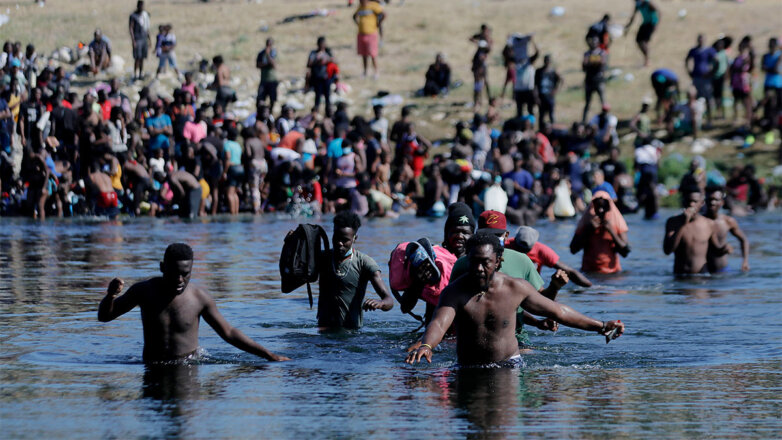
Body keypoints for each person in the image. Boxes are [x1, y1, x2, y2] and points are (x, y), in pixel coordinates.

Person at [405, 234, 625, 366]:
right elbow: (439, 323)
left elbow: (558, 312)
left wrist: (600, 326)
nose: (479, 268)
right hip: (468, 367)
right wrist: (427, 345)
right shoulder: (455, 292)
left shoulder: (515, 288)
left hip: (509, 365)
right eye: (474, 262)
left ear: (498, 262)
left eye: (485, 262)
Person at [98, 243, 289, 362]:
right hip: (152, 368)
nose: (180, 280)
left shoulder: (199, 298)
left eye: (185, 274)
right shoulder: (144, 291)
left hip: (187, 369)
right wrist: (110, 296)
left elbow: (229, 333)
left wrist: (269, 355)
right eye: (174, 273)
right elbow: (104, 317)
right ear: (162, 268)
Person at [316, 211, 394, 329]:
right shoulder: (322, 258)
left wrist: (380, 303)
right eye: (336, 237)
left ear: (354, 238)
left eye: (345, 240)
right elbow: (291, 283)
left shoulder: (364, 262)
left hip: (352, 333)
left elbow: (389, 300)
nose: (339, 243)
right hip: (323, 330)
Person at [663, 190, 730, 275]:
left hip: (701, 276)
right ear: (683, 202)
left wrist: (724, 249)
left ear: (701, 203)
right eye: (688, 201)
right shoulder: (673, 222)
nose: (691, 204)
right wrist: (683, 224)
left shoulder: (708, 223)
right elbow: (667, 250)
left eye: (694, 201)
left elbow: (715, 250)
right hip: (680, 276)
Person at [508, 226, 592, 287]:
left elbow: (570, 272)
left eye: (526, 250)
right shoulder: (505, 246)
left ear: (533, 245)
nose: (522, 253)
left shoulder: (541, 251)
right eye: (519, 248)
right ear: (514, 240)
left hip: (530, 286)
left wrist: (590, 287)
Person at [570, 191, 630, 274]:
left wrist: (611, 232)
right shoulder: (587, 222)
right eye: (598, 206)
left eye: (604, 207)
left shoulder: (616, 224)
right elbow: (573, 249)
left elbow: (625, 252)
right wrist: (588, 230)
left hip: (611, 273)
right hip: (589, 272)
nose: (601, 210)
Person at [704, 187, 750, 273]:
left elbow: (743, 240)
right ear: (704, 201)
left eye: (716, 200)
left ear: (722, 202)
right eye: (709, 199)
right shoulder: (699, 222)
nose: (712, 202)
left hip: (723, 269)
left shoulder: (728, 221)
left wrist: (745, 262)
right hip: (704, 271)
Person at [685, 34, 716, 126]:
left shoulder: (709, 50)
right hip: (696, 77)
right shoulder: (694, 50)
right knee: (696, 99)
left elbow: (716, 61)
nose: (701, 41)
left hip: (706, 78)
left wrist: (711, 72)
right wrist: (689, 71)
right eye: (699, 39)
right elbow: (687, 60)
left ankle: (710, 119)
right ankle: (698, 120)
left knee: (708, 98)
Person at [353, 0, 384, 78]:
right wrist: (358, 24)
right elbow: (354, 16)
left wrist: (378, 23)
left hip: (371, 34)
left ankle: (376, 72)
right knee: (364, 54)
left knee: (372, 54)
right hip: (361, 34)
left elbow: (383, 14)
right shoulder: (360, 7)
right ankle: (365, 71)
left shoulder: (373, 6)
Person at [625, 0, 659, 67]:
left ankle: (647, 61)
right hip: (645, 24)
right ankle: (646, 59)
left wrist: (656, 25)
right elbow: (633, 17)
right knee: (639, 40)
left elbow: (658, 12)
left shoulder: (648, 3)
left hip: (651, 24)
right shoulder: (638, 5)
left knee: (643, 41)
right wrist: (627, 27)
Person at [582, 36, 607, 122]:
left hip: (599, 80)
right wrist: (595, 62)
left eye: (595, 42)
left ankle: (605, 119)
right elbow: (584, 65)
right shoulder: (587, 53)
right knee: (587, 103)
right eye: (592, 42)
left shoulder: (602, 52)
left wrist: (590, 62)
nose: (593, 44)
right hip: (589, 80)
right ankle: (584, 120)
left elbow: (602, 63)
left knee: (603, 101)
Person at [307, 37, 333, 116]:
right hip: (317, 78)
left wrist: (326, 60)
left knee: (327, 97)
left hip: (327, 78)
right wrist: (317, 61)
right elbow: (309, 64)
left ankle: (328, 114)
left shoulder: (328, 52)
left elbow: (334, 61)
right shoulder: (314, 53)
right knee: (317, 96)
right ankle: (315, 114)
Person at [535, 54, 562, 126]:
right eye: (546, 60)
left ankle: (553, 129)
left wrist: (556, 90)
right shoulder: (539, 71)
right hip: (542, 96)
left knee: (551, 115)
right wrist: (536, 97)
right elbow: (535, 85)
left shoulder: (553, 71)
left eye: (548, 61)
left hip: (550, 97)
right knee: (541, 115)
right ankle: (541, 129)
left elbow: (561, 80)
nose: (547, 62)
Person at [129, 1, 151, 81]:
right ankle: (135, 74)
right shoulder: (133, 16)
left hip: (144, 38)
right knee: (137, 58)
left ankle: (141, 74)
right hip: (137, 39)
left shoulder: (145, 15)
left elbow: (147, 28)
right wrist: (133, 40)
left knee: (142, 58)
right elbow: (131, 28)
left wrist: (149, 40)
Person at [256, 38, 279, 111]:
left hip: (272, 80)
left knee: (272, 99)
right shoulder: (261, 53)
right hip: (263, 80)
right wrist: (266, 64)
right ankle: (260, 112)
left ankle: (270, 112)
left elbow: (273, 65)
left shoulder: (273, 53)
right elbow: (258, 65)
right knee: (260, 98)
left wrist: (268, 55)